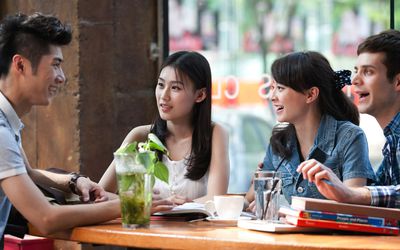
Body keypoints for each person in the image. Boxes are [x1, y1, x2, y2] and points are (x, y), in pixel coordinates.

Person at [0, 12, 171, 244]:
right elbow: (46, 218)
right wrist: (129, 204)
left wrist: (74, 181)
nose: (61, 78)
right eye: (56, 65)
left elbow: (28, 173)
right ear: (20, 64)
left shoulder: (7, 121)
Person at [245, 51, 376, 209]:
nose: (272, 96)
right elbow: (251, 199)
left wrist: (286, 211)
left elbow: (354, 207)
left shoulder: (350, 137)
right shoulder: (279, 143)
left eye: (280, 88)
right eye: (272, 88)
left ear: (311, 94)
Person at [100, 51, 230, 204]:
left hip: (196, 228)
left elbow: (216, 200)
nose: (164, 96)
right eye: (161, 85)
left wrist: (173, 205)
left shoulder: (215, 134)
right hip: (147, 227)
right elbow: (101, 193)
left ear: (200, 95)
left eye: (175, 88)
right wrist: (139, 199)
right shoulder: (140, 136)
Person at [297, 30, 400, 208]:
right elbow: (381, 192)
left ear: (398, 82)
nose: (355, 80)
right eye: (356, 71)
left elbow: (365, 195)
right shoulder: (392, 140)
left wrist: (351, 193)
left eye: (368, 72)